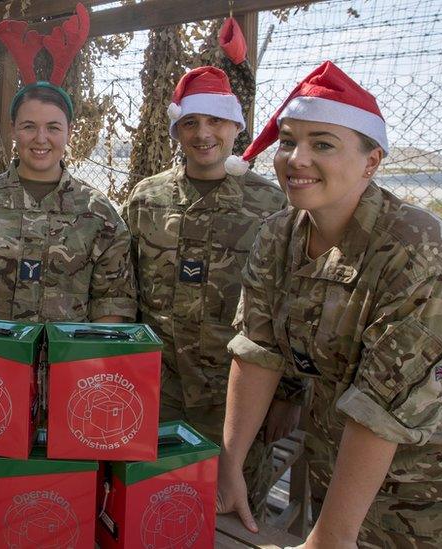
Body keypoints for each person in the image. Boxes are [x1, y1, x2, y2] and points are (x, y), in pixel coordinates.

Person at [216, 60, 442, 547]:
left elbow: (382, 412)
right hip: (338, 471)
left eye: (322, 143)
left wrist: (331, 538)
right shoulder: (279, 235)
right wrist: (229, 462)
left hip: (433, 490)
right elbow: (258, 350)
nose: (296, 158)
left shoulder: (422, 250)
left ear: (372, 161)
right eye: (287, 141)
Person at [121, 64, 303, 516]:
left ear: (236, 126)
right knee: (153, 509)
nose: (203, 134)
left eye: (215, 121)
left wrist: (289, 394)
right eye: (190, 123)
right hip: (157, 393)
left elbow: (294, 303)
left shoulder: (271, 204)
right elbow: (122, 288)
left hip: (236, 403)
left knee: (233, 516)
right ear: (177, 132)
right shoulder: (147, 198)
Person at [0, 4, 136, 325]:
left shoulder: (100, 215)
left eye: (53, 127)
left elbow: (112, 305)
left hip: (67, 369)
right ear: (14, 129)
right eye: (29, 126)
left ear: (69, 131)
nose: (41, 138)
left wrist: (86, 371)